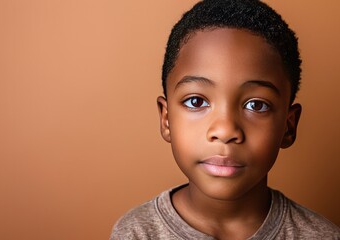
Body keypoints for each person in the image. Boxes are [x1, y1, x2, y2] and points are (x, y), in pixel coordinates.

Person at [110, 0, 340, 239]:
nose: (225, 130)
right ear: (166, 119)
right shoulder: (136, 232)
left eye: (256, 105)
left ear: (288, 126)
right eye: (196, 102)